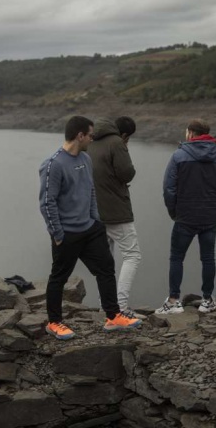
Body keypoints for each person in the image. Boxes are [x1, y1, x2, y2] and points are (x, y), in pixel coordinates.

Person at [39, 115, 142, 339]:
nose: (92, 139)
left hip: (91, 228)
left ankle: (113, 316)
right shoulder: (53, 164)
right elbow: (47, 203)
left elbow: (91, 191)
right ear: (80, 135)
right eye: (90, 135)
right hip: (67, 233)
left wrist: (95, 219)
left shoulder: (85, 159)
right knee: (59, 277)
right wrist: (57, 233)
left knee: (106, 268)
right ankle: (54, 322)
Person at [156, 120, 216, 315]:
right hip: (210, 216)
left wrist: (174, 211)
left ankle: (174, 300)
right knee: (208, 258)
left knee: (177, 257)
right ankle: (207, 300)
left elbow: (169, 189)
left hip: (185, 216)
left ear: (191, 133)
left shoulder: (179, 156)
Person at [88, 116, 142, 317]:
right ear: (125, 134)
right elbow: (127, 173)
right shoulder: (116, 142)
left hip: (95, 211)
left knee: (105, 260)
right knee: (132, 255)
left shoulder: (92, 141)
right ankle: (120, 306)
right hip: (116, 211)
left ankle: (106, 306)